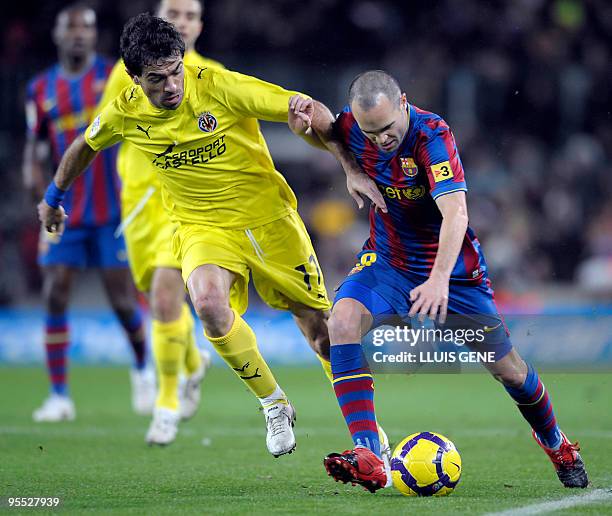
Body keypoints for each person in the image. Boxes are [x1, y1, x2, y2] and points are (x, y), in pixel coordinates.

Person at [38, 13, 354, 458]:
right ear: (133, 78)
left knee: (320, 332)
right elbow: (84, 146)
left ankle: (366, 432)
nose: (171, 87)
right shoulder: (124, 110)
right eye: (156, 80)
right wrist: (53, 198)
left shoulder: (219, 85)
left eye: (174, 72)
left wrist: (348, 164)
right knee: (206, 303)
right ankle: (274, 403)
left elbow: (301, 107)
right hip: (202, 226)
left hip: (267, 220)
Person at [316, 70, 588, 491]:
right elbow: (317, 122)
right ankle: (369, 453)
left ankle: (557, 444)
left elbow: (455, 213)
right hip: (388, 261)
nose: (382, 140)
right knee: (341, 323)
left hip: (455, 275)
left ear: (404, 102)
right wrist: (349, 166)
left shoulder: (432, 136)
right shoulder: (353, 126)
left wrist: (439, 279)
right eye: (371, 133)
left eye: (388, 129)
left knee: (509, 371)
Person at [96, 0, 224, 445]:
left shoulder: (209, 77)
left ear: (201, 26)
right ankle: (192, 363)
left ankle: (165, 404)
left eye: (190, 14)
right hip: (137, 207)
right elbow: (106, 129)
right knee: (160, 302)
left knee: (167, 296)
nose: (182, 21)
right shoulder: (125, 71)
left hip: (185, 207)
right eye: (174, 12)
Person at [23, 4, 155, 423]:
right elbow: (34, 152)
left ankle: (142, 368)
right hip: (65, 210)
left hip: (113, 209)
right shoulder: (40, 89)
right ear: (58, 35)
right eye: (71, 28)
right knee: (54, 292)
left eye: (87, 28)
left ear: (95, 36)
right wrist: (40, 202)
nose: (79, 34)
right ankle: (59, 396)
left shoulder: (113, 77)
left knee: (120, 300)